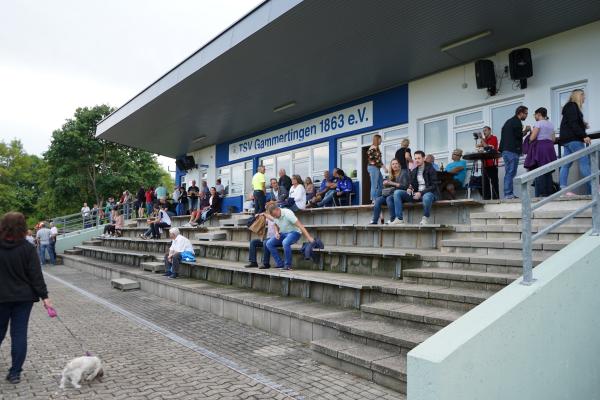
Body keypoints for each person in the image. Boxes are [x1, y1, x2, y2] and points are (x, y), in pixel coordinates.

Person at [0, 212, 52, 384]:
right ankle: (15, 373)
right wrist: (45, 297)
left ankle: (15, 371)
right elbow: (36, 275)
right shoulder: (28, 248)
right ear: (23, 227)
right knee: (19, 334)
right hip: (24, 298)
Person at [393, 151, 440, 225]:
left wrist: (420, 193)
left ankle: (425, 218)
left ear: (424, 158)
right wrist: (410, 189)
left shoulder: (431, 169)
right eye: (415, 158)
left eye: (419, 158)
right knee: (397, 193)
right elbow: (412, 184)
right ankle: (399, 218)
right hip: (416, 194)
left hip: (428, 193)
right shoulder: (414, 170)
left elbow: (434, 185)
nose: (417, 160)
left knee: (427, 197)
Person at [559, 89, 591, 195]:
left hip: (567, 140)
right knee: (584, 163)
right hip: (574, 140)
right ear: (578, 96)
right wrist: (584, 135)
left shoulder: (568, 107)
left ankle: (563, 189)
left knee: (566, 165)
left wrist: (583, 124)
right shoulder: (572, 105)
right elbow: (573, 123)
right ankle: (594, 187)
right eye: (583, 96)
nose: (584, 98)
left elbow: (571, 122)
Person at [265, 204, 314, 271]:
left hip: (294, 233)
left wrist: (309, 237)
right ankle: (280, 264)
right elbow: (275, 224)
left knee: (285, 242)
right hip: (283, 233)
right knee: (268, 243)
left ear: (277, 209)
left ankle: (288, 265)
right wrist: (276, 232)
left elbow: (300, 226)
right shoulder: (275, 216)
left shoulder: (288, 213)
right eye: (273, 216)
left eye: (275, 215)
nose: (275, 217)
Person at [525, 107, 558, 197]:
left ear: (539, 114)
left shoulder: (538, 123)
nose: (534, 117)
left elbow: (532, 137)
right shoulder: (551, 124)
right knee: (548, 170)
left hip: (541, 147)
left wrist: (530, 137)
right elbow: (553, 139)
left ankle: (541, 193)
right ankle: (549, 192)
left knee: (540, 170)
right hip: (550, 147)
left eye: (535, 115)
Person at [500, 105, 529, 199]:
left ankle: (508, 193)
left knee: (509, 172)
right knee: (511, 173)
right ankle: (508, 194)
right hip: (512, 151)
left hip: (505, 151)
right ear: (520, 113)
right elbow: (519, 135)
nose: (526, 115)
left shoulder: (508, 122)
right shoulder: (517, 122)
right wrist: (526, 130)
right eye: (526, 113)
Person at [371, 159, 409, 224]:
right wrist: (385, 184)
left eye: (396, 163)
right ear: (391, 166)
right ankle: (374, 221)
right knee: (378, 200)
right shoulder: (390, 175)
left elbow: (405, 187)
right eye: (393, 164)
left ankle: (393, 219)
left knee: (389, 198)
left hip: (400, 195)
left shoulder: (404, 173)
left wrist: (392, 183)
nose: (395, 165)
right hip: (390, 193)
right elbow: (388, 188)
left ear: (399, 165)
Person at [477, 126, 500, 200]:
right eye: (483, 131)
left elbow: (488, 148)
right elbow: (481, 149)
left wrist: (481, 139)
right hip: (484, 164)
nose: (484, 132)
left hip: (492, 163)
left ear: (490, 131)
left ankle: (496, 198)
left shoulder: (493, 138)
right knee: (485, 182)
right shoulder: (484, 140)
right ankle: (487, 198)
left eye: (485, 130)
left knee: (494, 182)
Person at [367, 134, 384, 202]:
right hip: (373, 167)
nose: (381, 140)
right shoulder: (373, 148)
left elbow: (378, 159)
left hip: (376, 168)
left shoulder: (376, 148)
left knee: (380, 184)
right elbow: (376, 160)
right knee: (374, 185)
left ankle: (377, 198)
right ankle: (374, 200)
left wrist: (383, 167)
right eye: (380, 139)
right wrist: (384, 167)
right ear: (377, 139)